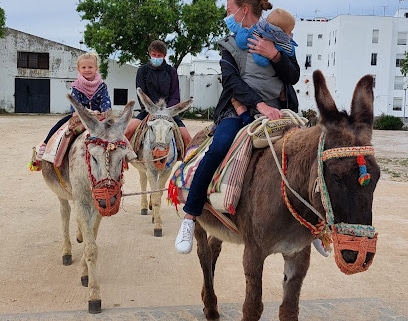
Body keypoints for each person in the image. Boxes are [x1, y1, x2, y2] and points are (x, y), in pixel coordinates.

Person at [175, 0, 300, 254]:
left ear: (244, 10)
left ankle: (312, 225)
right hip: (239, 107)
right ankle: (190, 216)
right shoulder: (230, 45)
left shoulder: (281, 39)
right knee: (219, 147)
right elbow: (231, 82)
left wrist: (274, 55)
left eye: (229, 10)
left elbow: (293, 76)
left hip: (279, 111)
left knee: (305, 151)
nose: (227, 15)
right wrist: (260, 105)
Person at [36, 52, 111, 160]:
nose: (87, 69)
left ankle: (126, 153)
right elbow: (75, 102)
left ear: (96, 68)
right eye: (83, 67)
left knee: (115, 131)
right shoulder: (76, 86)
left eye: (90, 67)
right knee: (61, 125)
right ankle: (46, 144)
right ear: (79, 69)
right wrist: (81, 112)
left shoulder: (102, 86)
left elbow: (105, 100)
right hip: (80, 116)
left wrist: (105, 111)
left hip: (99, 116)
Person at [124, 40, 192, 149]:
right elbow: (141, 93)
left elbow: (175, 95)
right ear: (150, 54)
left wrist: (167, 112)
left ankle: (186, 164)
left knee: (187, 138)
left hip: (169, 112)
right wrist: (149, 110)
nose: (156, 57)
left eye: (159, 55)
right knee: (127, 132)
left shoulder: (171, 71)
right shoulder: (143, 71)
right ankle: (123, 162)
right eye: (154, 55)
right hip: (148, 111)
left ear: (164, 56)